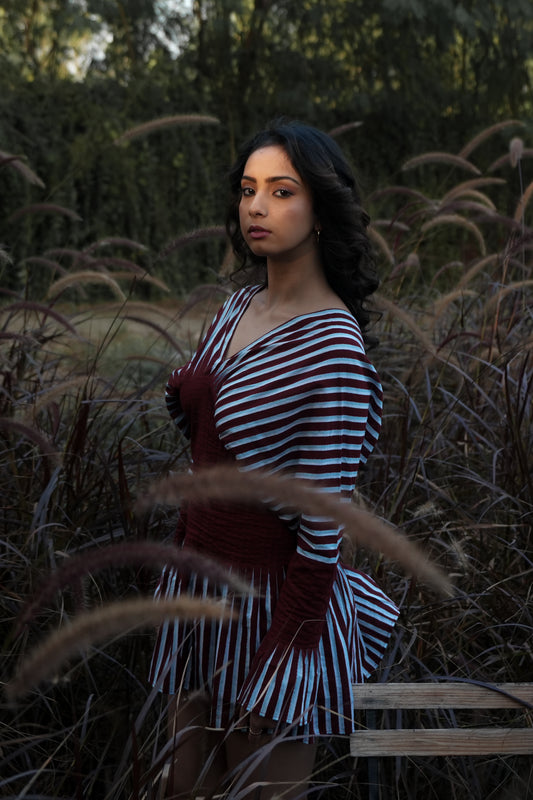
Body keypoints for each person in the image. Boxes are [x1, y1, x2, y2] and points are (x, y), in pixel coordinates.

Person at [149, 120, 399, 798]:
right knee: (183, 790)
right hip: (197, 591)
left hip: (270, 610)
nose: (256, 206)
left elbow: (323, 535)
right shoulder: (234, 308)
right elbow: (207, 457)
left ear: (320, 208)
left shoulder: (334, 350)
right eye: (247, 189)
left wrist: (282, 662)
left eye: (281, 191)